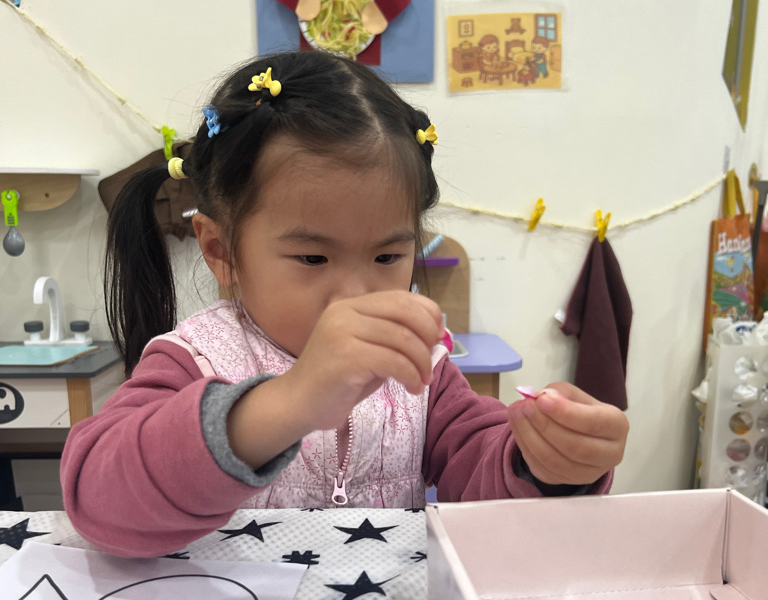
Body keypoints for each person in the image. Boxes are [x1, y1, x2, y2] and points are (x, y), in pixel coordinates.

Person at [61, 51, 628, 557]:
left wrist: (544, 463)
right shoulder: (196, 358)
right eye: (313, 258)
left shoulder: (422, 371)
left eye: (387, 257)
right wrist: (286, 404)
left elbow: (481, 468)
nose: (356, 294)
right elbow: (97, 501)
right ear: (220, 250)